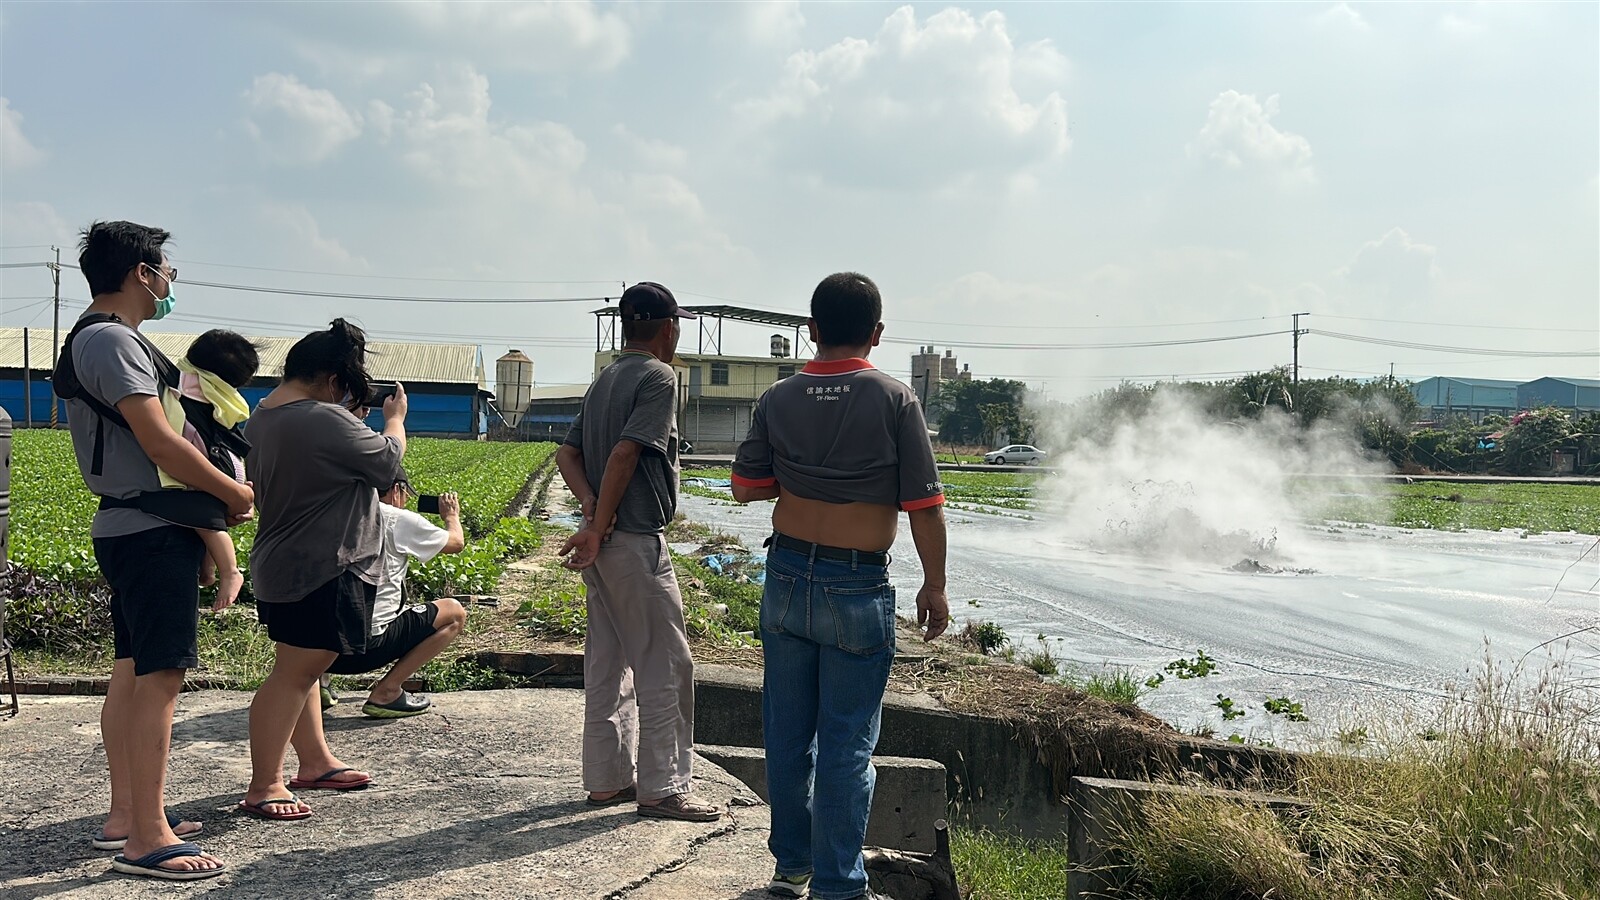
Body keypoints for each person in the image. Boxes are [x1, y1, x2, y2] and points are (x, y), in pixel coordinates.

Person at [730, 272, 950, 900]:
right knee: (847, 745)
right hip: (856, 585)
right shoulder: (895, 399)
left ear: (812, 330)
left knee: (787, 735)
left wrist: (796, 479)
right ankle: (838, 886)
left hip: (786, 576)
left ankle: (790, 868)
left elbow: (745, 489)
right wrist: (934, 586)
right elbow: (925, 505)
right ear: (877, 334)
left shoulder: (777, 399)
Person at [55, 221, 251, 880]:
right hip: (147, 529)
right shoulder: (113, 340)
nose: (170, 284)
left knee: (134, 674)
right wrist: (234, 494)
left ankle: (129, 817)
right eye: (167, 271)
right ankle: (146, 838)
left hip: (130, 526)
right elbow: (162, 444)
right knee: (160, 680)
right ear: (141, 272)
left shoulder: (103, 338)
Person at [557, 281, 721, 823]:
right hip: (631, 541)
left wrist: (589, 514)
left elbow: (568, 455)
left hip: (603, 546)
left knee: (609, 662)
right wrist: (600, 525)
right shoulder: (658, 376)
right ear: (668, 327)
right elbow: (627, 452)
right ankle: (664, 788)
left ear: (626, 325)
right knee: (665, 665)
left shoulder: (605, 378)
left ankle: (606, 780)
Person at [241, 320, 406, 821]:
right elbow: (387, 463)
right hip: (321, 565)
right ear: (335, 381)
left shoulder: (262, 416)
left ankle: (314, 761)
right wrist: (394, 419)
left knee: (304, 669)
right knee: (295, 674)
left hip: (283, 560)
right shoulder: (321, 418)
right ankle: (265, 784)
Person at [319, 474, 467, 718]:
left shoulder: (326, 513)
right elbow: (456, 543)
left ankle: (319, 684)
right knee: (454, 612)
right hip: (366, 650)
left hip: (314, 651)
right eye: (407, 494)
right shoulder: (393, 517)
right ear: (396, 490)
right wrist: (451, 516)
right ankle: (387, 691)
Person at [169, 329, 259, 610]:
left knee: (203, 518)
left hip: (210, 468)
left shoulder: (188, 383)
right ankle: (207, 571)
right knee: (208, 521)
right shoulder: (217, 391)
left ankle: (230, 570)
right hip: (229, 468)